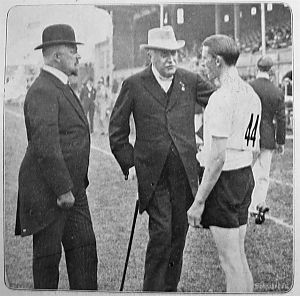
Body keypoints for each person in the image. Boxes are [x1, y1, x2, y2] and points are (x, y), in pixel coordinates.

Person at [109, 25, 213, 292]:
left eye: (174, 53)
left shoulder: (189, 81)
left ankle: (169, 289)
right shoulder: (134, 84)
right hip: (153, 177)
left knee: (178, 237)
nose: (171, 59)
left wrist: (202, 136)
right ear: (151, 55)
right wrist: (129, 162)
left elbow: (219, 104)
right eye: (165, 54)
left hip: (184, 175)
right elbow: (117, 131)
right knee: (161, 236)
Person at [15, 24, 98, 290]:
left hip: (73, 193)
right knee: (47, 269)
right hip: (51, 195)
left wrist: (73, 189)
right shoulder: (42, 90)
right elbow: (45, 145)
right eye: (72, 50)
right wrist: (63, 190)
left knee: (85, 259)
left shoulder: (60, 86)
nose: (78, 56)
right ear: (56, 55)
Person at [187, 34, 262, 292]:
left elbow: (217, 158)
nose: (201, 64)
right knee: (239, 258)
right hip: (244, 177)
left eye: (204, 59)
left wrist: (198, 202)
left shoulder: (221, 98)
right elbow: (253, 147)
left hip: (225, 181)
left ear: (217, 61)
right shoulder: (251, 94)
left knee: (230, 263)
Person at [248, 56, 286, 223]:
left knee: (245, 170)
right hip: (267, 134)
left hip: (248, 133)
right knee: (263, 174)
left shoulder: (249, 87)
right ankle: (257, 205)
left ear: (258, 68)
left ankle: (244, 204)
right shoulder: (277, 91)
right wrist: (281, 141)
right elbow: (281, 119)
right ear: (271, 71)